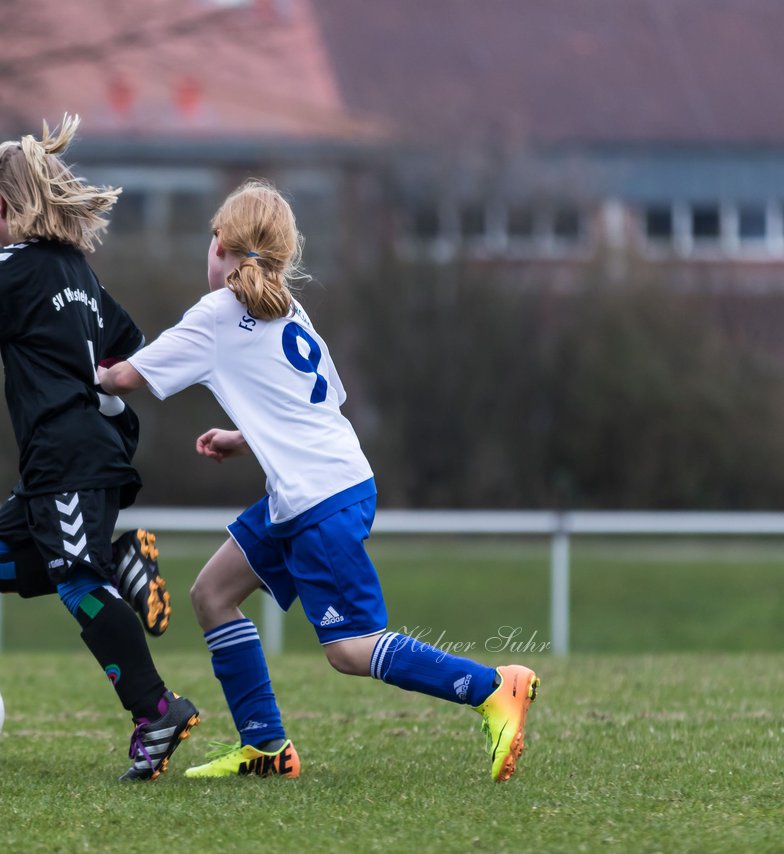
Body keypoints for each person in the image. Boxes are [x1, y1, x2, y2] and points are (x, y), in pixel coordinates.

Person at [98, 179, 540, 783]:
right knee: (212, 595)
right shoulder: (287, 306)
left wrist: (62, 359)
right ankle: (267, 749)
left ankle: (493, 687)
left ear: (221, 244)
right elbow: (320, 401)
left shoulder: (219, 314)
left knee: (350, 650)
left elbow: (122, 378)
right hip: (314, 487)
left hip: (319, 500)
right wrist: (243, 437)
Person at [0, 115, 196, 781]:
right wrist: (96, 376)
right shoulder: (74, 268)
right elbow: (128, 343)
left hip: (68, 455)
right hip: (71, 456)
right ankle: (116, 560)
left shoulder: (14, 266)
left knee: (79, 582)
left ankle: (156, 711)